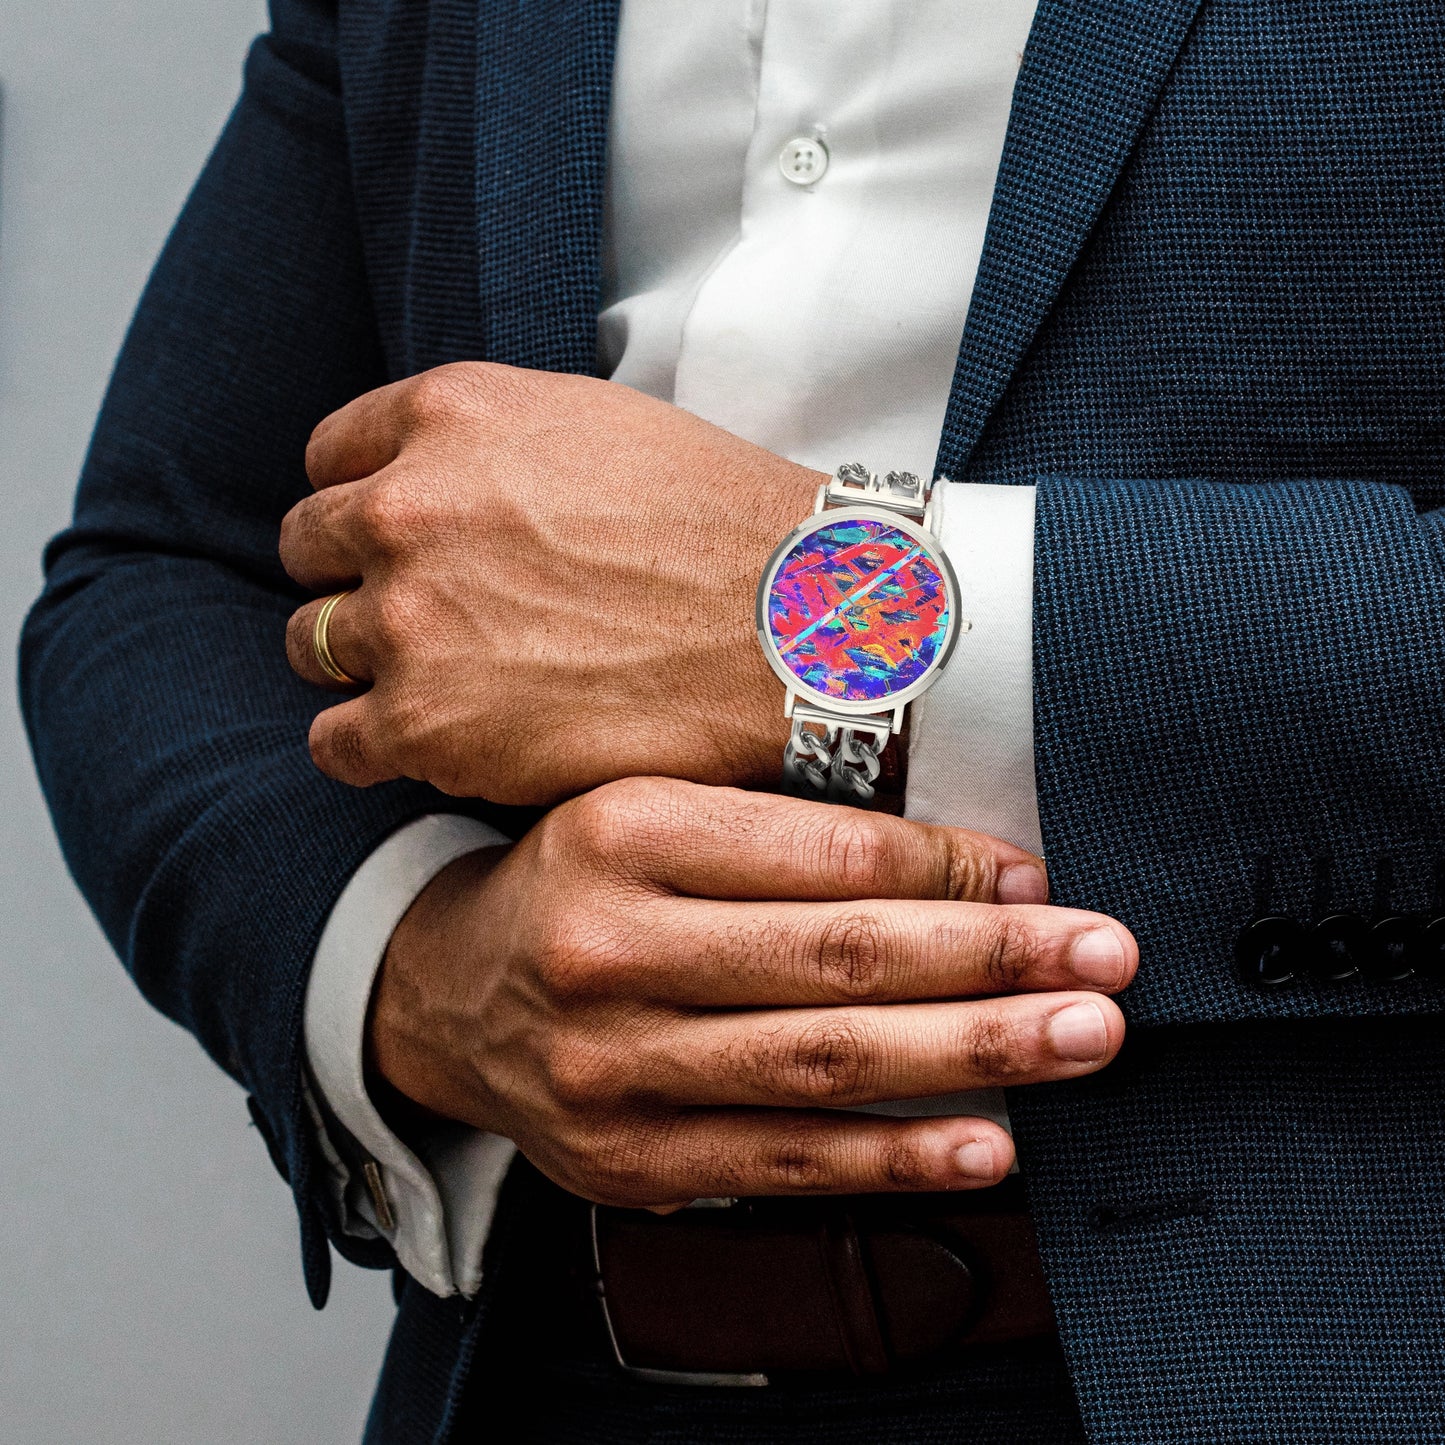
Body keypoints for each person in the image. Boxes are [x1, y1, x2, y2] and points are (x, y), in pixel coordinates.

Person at [21, 0, 1445, 1440]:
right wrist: (418, 962)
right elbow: (166, 569)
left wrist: (832, 621)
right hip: (549, 1359)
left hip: (1316, 1350)